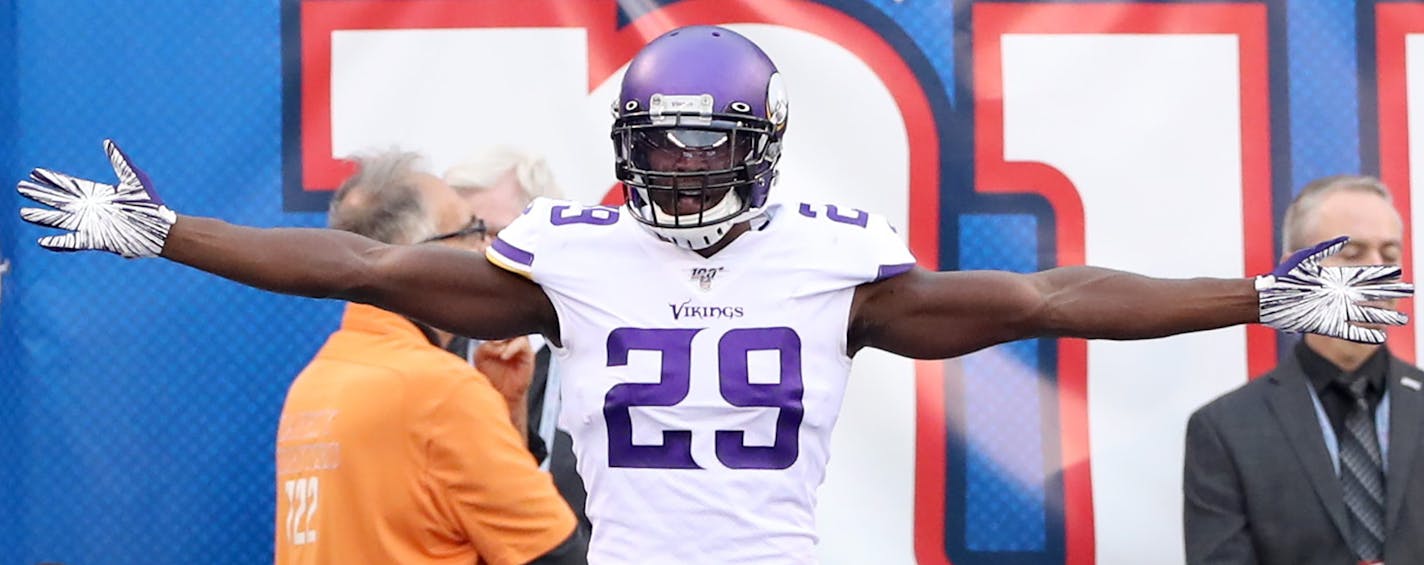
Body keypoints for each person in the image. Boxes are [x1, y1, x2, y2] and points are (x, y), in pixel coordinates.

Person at [15, 26, 1411, 564]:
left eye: (704, 146)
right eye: (660, 149)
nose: (681, 176)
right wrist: (170, 230)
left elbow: (1048, 294)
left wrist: (1261, 296)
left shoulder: (831, 259)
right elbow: (372, 266)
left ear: (760, 147)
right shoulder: (578, 249)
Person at [272, 151, 585, 564]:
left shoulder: (315, 385)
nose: (488, 253)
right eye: (473, 231)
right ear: (417, 257)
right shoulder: (441, 392)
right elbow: (556, 556)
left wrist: (506, 412)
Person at [1182, 175, 1424, 565]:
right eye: (1352, 255)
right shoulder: (1224, 429)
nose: (1377, 271)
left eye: (1390, 255)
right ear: (1295, 271)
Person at [445, 146, 592, 538]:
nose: (473, 250)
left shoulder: (599, 362)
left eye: (491, 232)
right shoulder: (429, 358)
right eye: (461, 233)